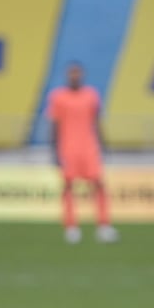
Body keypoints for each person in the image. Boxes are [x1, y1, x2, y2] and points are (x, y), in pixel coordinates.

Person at [46, 62, 118, 244]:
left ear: (82, 75)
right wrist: (53, 151)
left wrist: (103, 144)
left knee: (99, 185)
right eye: (72, 73)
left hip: (89, 148)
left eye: (77, 73)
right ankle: (71, 227)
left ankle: (104, 226)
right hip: (68, 149)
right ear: (67, 75)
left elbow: (96, 122)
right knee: (68, 187)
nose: (74, 76)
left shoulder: (91, 95)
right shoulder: (58, 97)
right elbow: (54, 125)